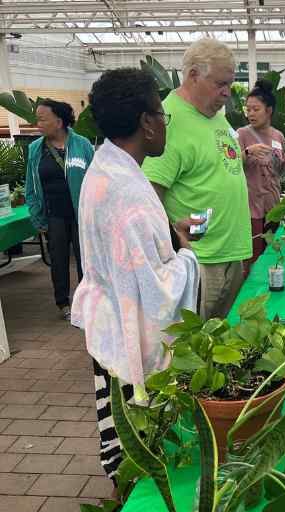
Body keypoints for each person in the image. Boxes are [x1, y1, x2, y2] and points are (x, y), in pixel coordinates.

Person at [71, 68, 201, 483]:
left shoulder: (107, 170)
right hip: (131, 345)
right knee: (142, 457)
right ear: (147, 123)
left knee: (124, 447)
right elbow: (158, 293)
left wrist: (169, 235)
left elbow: (128, 257)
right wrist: (188, 258)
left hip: (107, 326)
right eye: (163, 114)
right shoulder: (128, 191)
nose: (165, 124)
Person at [143, 39, 252, 319]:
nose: (227, 93)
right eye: (220, 84)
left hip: (229, 254)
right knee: (196, 349)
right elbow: (148, 196)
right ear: (193, 75)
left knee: (222, 345)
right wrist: (174, 241)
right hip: (201, 260)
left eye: (230, 84)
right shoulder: (171, 120)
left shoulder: (215, 115)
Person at [25, 99, 94, 320]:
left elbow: (96, 180)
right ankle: (63, 303)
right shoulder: (36, 149)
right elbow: (30, 186)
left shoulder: (82, 145)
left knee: (86, 259)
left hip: (81, 215)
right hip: (54, 216)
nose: (38, 123)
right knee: (58, 261)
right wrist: (38, 217)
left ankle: (89, 301)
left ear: (59, 121)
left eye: (42, 119)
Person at [238, 79, 285, 273]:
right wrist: (247, 152)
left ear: (269, 111)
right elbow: (230, 166)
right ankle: (251, 296)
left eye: (256, 109)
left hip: (272, 205)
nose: (251, 114)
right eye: (248, 109)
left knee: (273, 254)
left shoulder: (278, 136)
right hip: (251, 206)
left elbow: (276, 172)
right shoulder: (241, 135)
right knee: (253, 258)